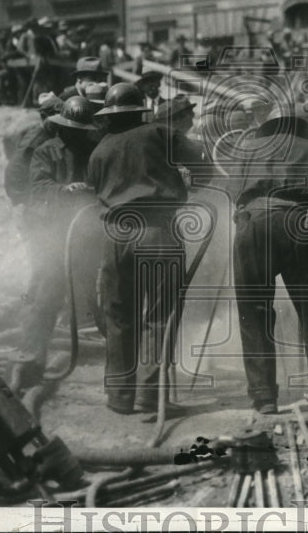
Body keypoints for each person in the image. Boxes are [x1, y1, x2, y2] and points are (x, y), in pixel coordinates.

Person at [232, 102, 308, 413]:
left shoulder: (246, 150)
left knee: (254, 313)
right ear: (299, 126)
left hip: (253, 224)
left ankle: (264, 397)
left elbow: (233, 193)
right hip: (298, 225)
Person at [87, 83, 187, 415]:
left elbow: (95, 188)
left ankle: (119, 396)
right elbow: (202, 160)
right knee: (159, 315)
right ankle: (150, 394)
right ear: (139, 110)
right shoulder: (160, 133)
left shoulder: (100, 149)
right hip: (156, 230)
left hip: (115, 235)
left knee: (118, 316)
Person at [11, 96, 103, 389]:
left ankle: (117, 360)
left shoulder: (94, 150)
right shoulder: (45, 151)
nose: (77, 134)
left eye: (82, 129)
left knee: (98, 294)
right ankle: (30, 358)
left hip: (88, 234)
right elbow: (38, 189)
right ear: (62, 127)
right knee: (45, 297)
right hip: (54, 234)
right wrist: (66, 190)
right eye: (72, 129)